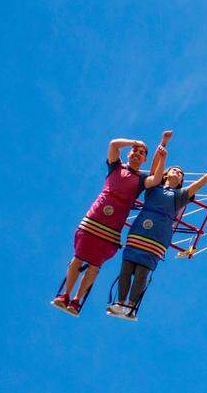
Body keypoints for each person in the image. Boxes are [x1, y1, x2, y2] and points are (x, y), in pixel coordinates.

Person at [52, 131, 171, 315]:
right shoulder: (115, 167)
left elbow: (155, 178)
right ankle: (65, 295)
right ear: (129, 153)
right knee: (78, 257)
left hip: (112, 228)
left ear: (144, 160)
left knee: (95, 264)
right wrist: (135, 141)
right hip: (95, 218)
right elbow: (114, 144)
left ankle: (76, 300)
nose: (138, 154)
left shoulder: (140, 179)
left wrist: (162, 152)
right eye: (135, 151)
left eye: (142, 153)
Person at [108, 158, 207, 320]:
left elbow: (197, 185)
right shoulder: (153, 187)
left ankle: (130, 307)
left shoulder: (180, 195)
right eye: (174, 169)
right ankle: (120, 302)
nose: (177, 172)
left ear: (182, 181)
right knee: (126, 268)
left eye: (181, 174)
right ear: (165, 174)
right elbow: (155, 169)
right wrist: (162, 151)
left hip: (157, 236)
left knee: (142, 271)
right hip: (139, 231)